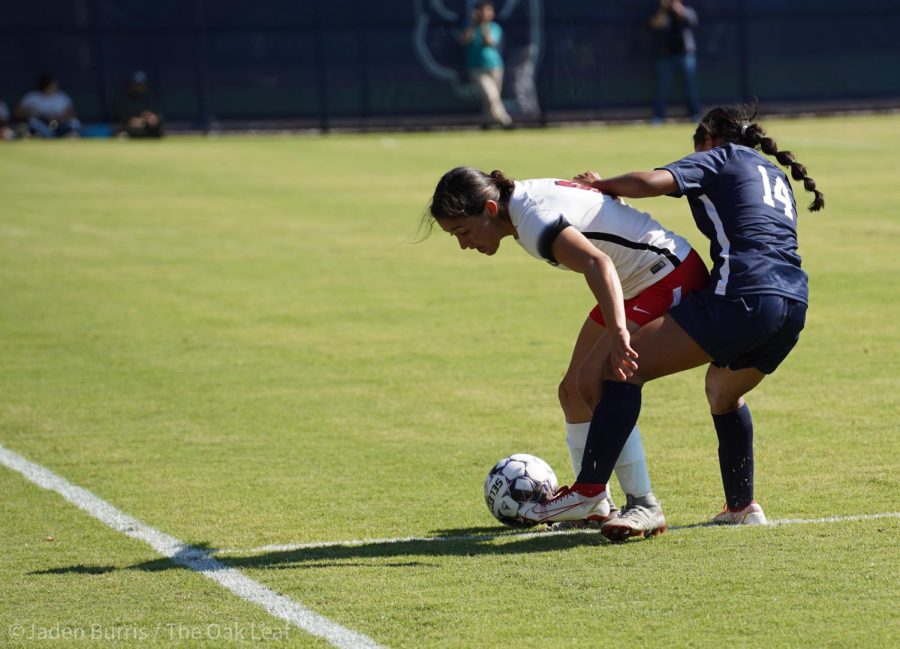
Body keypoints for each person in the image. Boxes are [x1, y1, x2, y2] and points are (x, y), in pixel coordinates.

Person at [519, 102, 824, 540]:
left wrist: (598, 184)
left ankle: (592, 492)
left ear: (709, 140)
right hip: (792, 305)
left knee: (618, 368)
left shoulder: (721, 156)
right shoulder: (773, 175)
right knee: (723, 390)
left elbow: (653, 181)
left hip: (741, 296)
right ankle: (741, 506)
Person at [424, 166, 712, 538]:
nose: (464, 244)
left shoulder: (531, 221)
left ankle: (642, 504)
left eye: (462, 231)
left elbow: (598, 263)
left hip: (667, 275)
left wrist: (620, 329)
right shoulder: (521, 202)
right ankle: (592, 505)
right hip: (636, 280)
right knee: (572, 391)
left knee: (597, 381)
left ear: (491, 210)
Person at [459, 2, 513, 129]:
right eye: (483, 12)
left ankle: (488, 124)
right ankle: (505, 121)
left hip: (495, 66)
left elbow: (489, 42)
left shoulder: (494, 27)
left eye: (488, 11)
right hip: (477, 68)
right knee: (491, 95)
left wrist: (483, 25)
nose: (486, 14)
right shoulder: (469, 27)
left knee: (490, 99)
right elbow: (463, 41)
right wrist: (473, 23)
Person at [650, 0, 700, 124]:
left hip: (686, 55)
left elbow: (692, 21)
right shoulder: (662, 13)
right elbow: (655, 25)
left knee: (690, 87)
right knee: (662, 88)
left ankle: (694, 115)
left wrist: (677, 8)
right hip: (666, 56)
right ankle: (658, 117)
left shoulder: (687, 10)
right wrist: (663, 9)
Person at [15, 72, 81, 138]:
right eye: (53, 83)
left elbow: (72, 114)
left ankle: (55, 136)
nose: (55, 85)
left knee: (74, 123)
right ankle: (49, 136)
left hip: (60, 126)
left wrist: (61, 117)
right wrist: (31, 114)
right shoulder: (32, 97)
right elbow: (19, 113)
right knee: (33, 122)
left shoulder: (62, 96)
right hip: (41, 125)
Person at [115, 71, 165, 138]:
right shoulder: (125, 99)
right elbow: (124, 117)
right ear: (133, 84)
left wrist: (153, 118)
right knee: (128, 130)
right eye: (137, 84)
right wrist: (136, 121)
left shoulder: (150, 98)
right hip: (132, 128)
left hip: (148, 127)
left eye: (141, 84)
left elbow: (157, 115)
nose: (139, 87)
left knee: (158, 126)